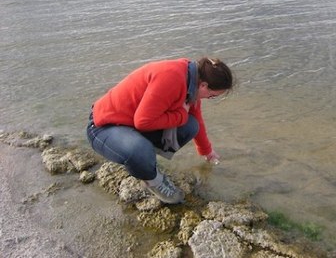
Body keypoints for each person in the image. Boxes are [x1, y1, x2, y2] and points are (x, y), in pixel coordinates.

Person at [86, 57, 233, 204]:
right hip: (103, 127)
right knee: (139, 149)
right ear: (204, 85)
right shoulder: (172, 77)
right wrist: (181, 115)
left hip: (129, 125)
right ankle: (152, 179)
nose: (209, 98)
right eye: (212, 96)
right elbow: (143, 122)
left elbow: (197, 119)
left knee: (191, 125)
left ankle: (146, 163)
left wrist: (206, 151)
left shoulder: (191, 80)